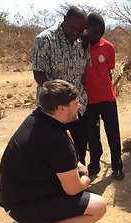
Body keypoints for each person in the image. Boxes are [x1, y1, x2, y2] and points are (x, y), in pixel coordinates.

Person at [0, 80, 106, 223]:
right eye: (75, 102)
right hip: (23, 206)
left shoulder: (40, 117)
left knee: (76, 177)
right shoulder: (55, 140)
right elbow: (72, 189)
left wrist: (76, 164)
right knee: (97, 206)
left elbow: (65, 133)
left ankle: (38, 222)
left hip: (17, 197)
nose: (79, 104)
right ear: (62, 108)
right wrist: (85, 181)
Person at [32, 6, 90, 165]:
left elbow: (83, 71)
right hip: (54, 110)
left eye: (80, 29)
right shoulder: (45, 40)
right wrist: (59, 100)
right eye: (73, 27)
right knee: (54, 154)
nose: (76, 32)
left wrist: (81, 98)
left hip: (77, 107)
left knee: (78, 151)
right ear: (64, 19)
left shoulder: (83, 42)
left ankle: (78, 184)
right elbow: (39, 74)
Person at [83, 13, 124, 180]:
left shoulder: (109, 48)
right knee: (92, 137)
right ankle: (94, 165)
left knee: (113, 134)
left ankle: (117, 167)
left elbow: (109, 71)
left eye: (101, 33)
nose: (97, 36)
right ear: (86, 28)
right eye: (94, 32)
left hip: (107, 98)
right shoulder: (79, 46)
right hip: (88, 100)